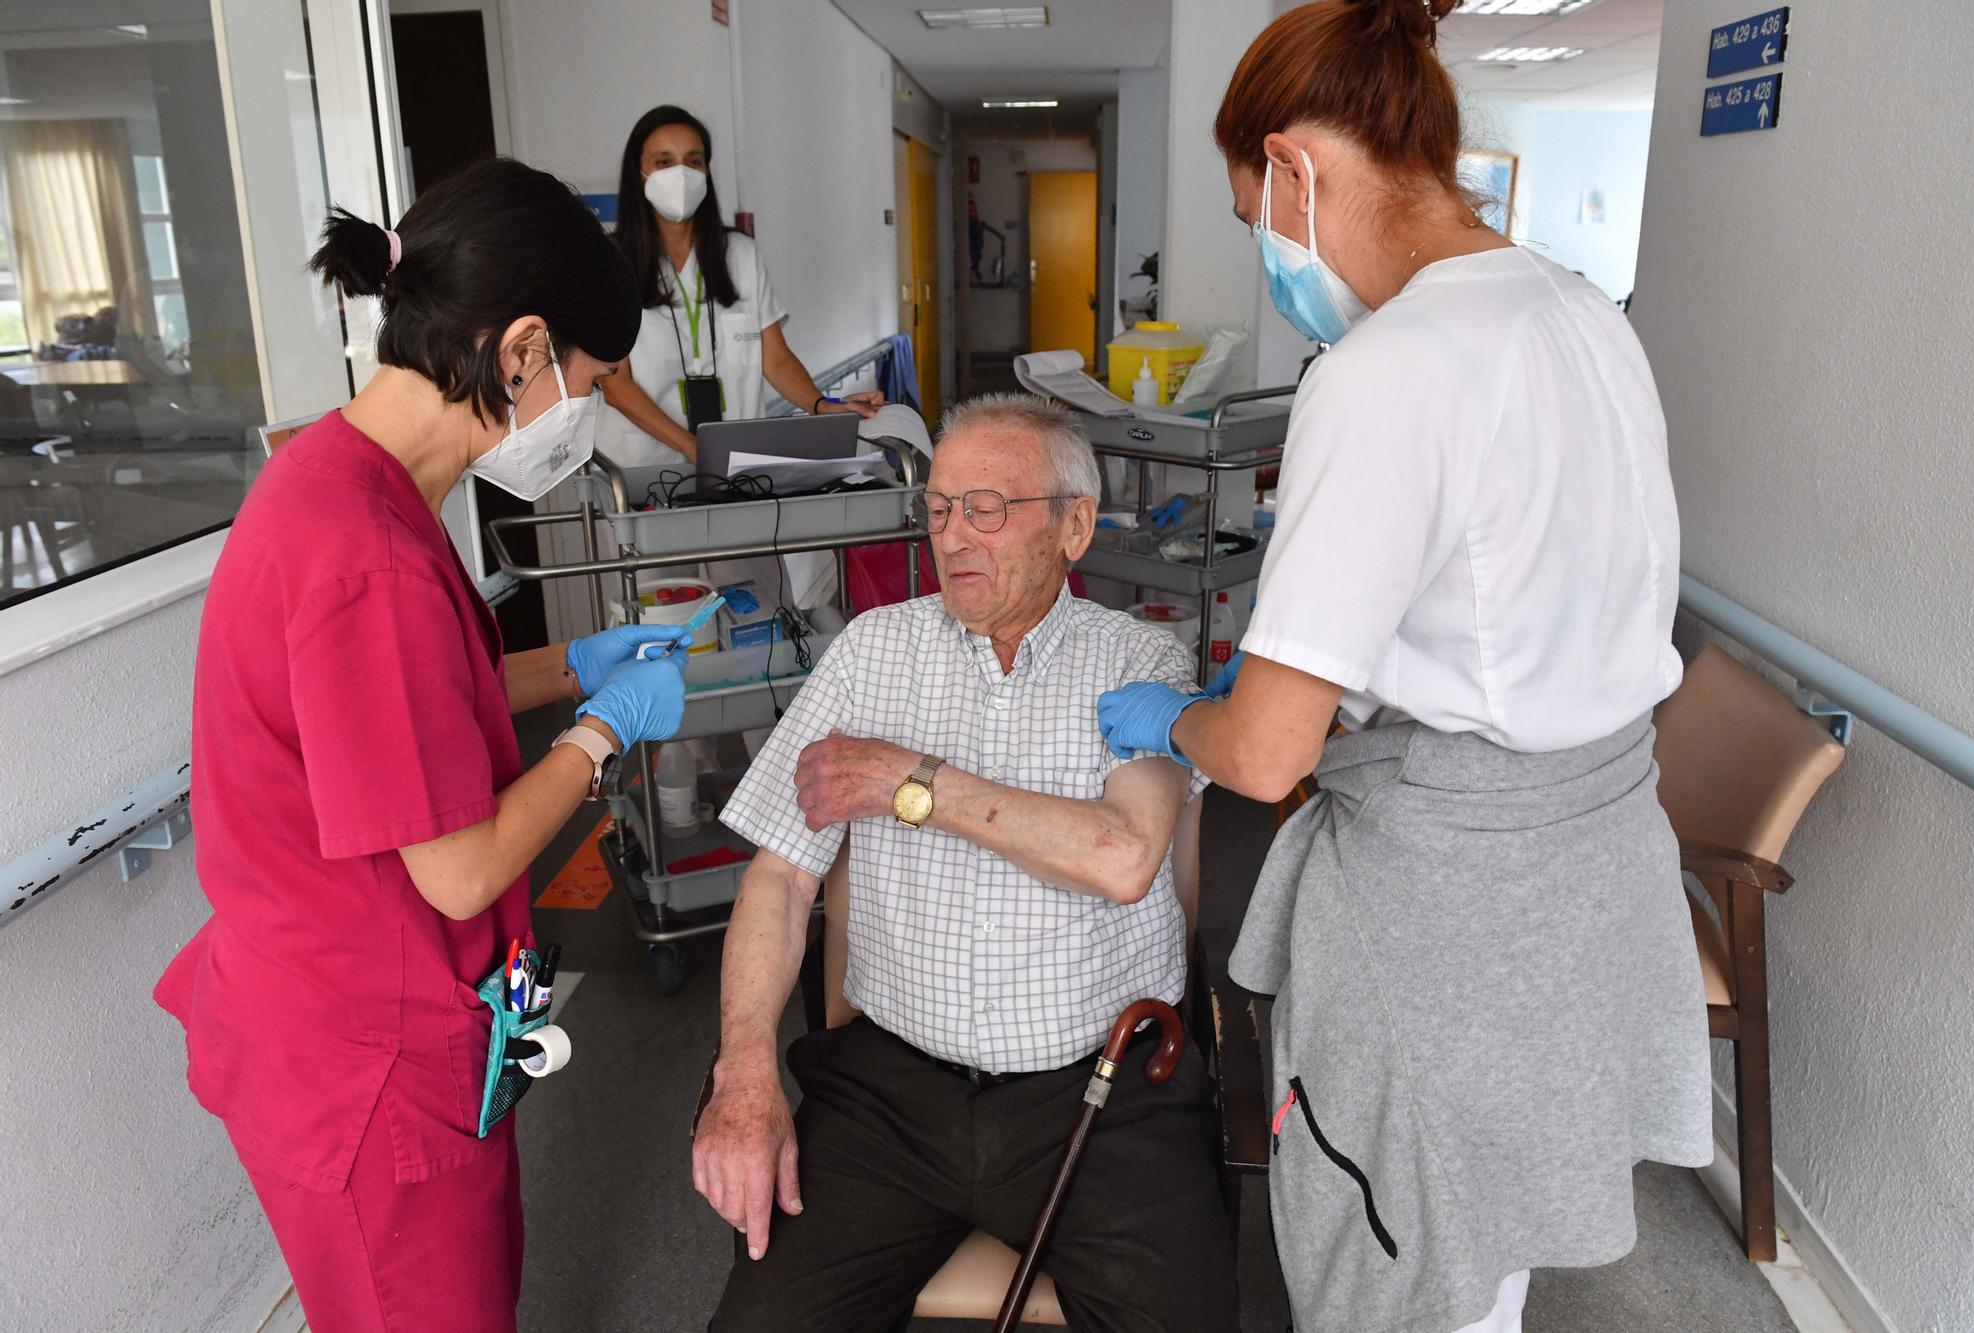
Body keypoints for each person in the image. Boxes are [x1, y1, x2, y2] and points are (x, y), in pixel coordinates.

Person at [1096, 3, 1712, 1332]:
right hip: (1594, 884)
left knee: (1392, 1256)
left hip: (1451, 926)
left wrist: (1180, 715)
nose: (1268, 251)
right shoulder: (1586, 318)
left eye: (1253, 209)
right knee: (1485, 1264)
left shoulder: (1386, 370)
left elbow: (1266, 752)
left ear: (1297, 167)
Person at [153, 159, 694, 1332]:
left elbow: (402, 714)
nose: (585, 415)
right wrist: (602, 733)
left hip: (364, 1022)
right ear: (521, 350)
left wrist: (576, 664)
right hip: (364, 1066)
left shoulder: (344, 481)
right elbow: (455, 864)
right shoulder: (367, 552)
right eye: (590, 383)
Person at [692, 394, 1237, 1332]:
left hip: (1100, 1099)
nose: (952, 536)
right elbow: (782, 874)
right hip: (890, 1097)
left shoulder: (1141, 659)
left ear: (1073, 525)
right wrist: (741, 1071)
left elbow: (1122, 856)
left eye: (987, 507)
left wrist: (915, 781)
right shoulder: (873, 650)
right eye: (939, 508)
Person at [597, 104, 883, 467]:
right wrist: (693, 447)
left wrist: (821, 404)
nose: (681, 174)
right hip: (641, 463)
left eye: (694, 161)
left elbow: (775, 359)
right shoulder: (609, 262)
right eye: (664, 162)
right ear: (639, 174)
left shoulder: (740, 255)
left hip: (736, 458)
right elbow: (615, 386)